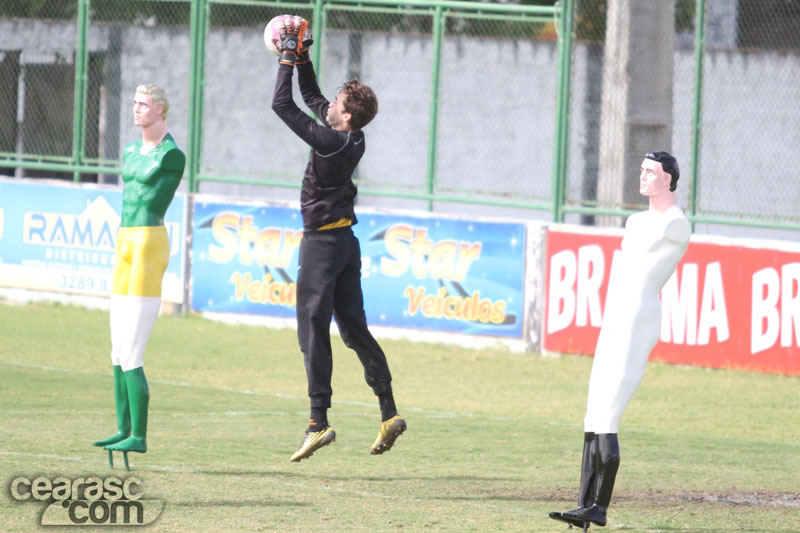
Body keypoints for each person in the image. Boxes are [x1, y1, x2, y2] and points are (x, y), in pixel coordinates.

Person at [270, 15, 406, 462]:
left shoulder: (330, 142)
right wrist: (305, 53)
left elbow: (284, 105)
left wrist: (287, 59)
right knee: (354, 330)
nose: (329, 104)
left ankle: (318, 422)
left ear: (345, 115)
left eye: (337, 103)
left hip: (323, 246)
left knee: (312, 329)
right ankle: (388, 412)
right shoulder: (353, 137)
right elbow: (313, 99)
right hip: (347, 243)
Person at [550, 151, 691, 530]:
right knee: (593, 411)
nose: (642, 176)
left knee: (608, 413)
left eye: (651, 171)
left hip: (636, 319)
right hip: (615, 315)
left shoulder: (675, 223)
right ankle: (582, 507)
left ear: (669, 179)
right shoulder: (636, 221)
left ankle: (599, 506)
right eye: (642, 169)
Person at [92, 84, 185, 470]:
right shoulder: (130, 151)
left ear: (161, 110)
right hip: (124, 239)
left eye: (143, 104)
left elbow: (152, 192)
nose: (135, 109)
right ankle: (122, 427)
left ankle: (140, 435)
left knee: (132, 351)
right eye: (133, 103)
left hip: (148, 240)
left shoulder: (171, 154)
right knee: (115, 350)